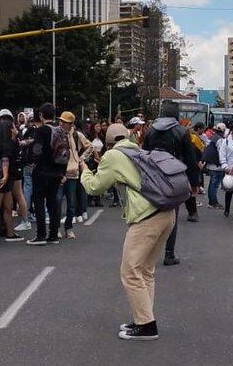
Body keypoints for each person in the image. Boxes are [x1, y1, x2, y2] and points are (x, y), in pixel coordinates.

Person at [80, 123, 176, 341]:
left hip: (146, 217)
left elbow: (95, 187)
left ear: (108, 142)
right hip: (167, 213)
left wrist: (85, 172)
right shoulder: (138, 150)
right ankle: (143, 317)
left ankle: (146, 325)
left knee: (130, 271)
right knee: (145, 270)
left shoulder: (113, 155)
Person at [142, 100, 200, 266]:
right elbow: (190, 159)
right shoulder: (182, 132)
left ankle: (147, 253)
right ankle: (169, 254)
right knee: (171, 216)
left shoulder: (150, 131)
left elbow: (144, 155)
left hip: (153, 177)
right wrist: (194, 183)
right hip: (174, 177)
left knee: (151, 214)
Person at [26, 103, 66, 246]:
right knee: (52, 202)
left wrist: (33, 162)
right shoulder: (60, 130)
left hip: (42, 170)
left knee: (39, 202)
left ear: (42, 115)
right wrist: (62, 171)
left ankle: (41, 235)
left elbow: (37, 149)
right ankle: (54, 234)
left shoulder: (41, 130)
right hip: (56, 170)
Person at [60, 111, 91, 239]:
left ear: (71, 124)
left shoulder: (77, 135)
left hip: (73, 173)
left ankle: (68, 229)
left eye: (65, 122)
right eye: (61, 121)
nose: (62, 124)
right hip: (58, 172)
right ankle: (56, 228)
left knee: (71, 203)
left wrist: (81, 159)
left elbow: (90, 147)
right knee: (56, 201)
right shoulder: (57, 133)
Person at [219, 123, 233, 217]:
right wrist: (225, 167)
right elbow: (222, 154)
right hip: (230, 170)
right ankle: (227, 209)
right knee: (229, 189)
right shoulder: (226, 141)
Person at [202, 123, 227, 209]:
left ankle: (211, 202)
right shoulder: (220, 140)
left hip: (211, 164)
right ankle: (214, 202)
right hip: (217, 165)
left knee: (212, 183)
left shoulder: (213, 138)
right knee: (215, 184)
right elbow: (221, 153)